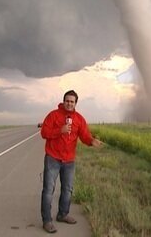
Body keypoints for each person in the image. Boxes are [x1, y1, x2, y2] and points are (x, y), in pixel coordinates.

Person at [40, 90, 102, 233]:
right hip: (52, 158)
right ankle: (47, 221)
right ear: (63, 101)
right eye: (67, 101)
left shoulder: (79, 119)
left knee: (67, 190)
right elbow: (44, 132)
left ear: (75, 103)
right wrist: (59, 130)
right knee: (49, 190)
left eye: (72, 102)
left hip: (69, 161)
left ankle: (62, 214)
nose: (69, 103)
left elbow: (84, 135)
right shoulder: (53, 115)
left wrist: (92, 141)